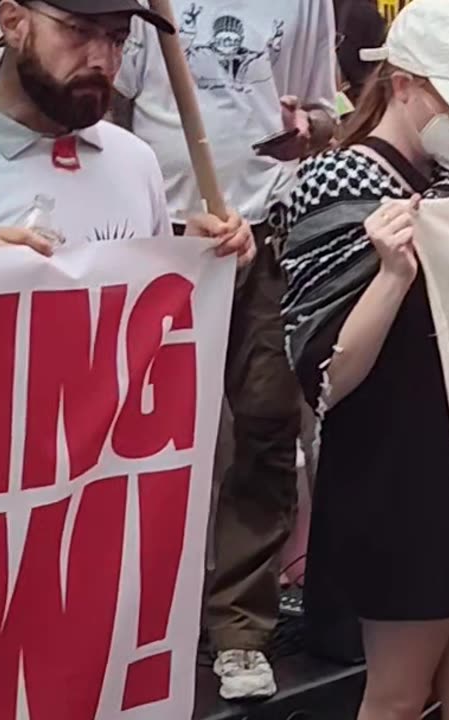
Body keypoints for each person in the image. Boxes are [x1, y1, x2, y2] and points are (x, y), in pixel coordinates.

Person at [279, 0, 449, 717]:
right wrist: (391, 275)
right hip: (395, 479)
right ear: (406, 85)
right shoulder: (335, 186)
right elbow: (326, 375)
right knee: (396, 694)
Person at [111, 0, 337, 700]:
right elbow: (108, 114)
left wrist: (310, 129)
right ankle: (140, 621)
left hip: (265, 235)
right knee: (148, 435)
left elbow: (323, 108)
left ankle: (239, 629)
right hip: (163, 240)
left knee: (266, 430)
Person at [0, 0, 252, 261]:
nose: (102, 60)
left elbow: (151, 331)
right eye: (77, 30)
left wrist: (194, 259)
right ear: (13, 23)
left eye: (117, 38)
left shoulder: (136, 162)